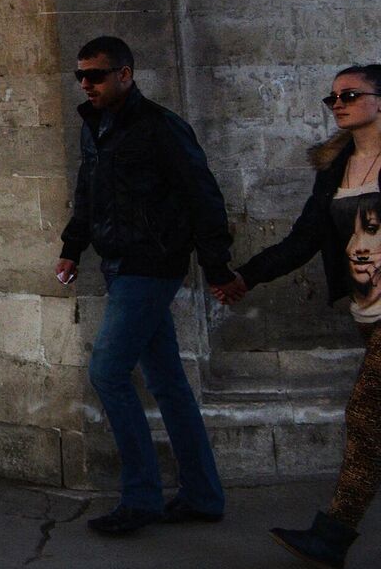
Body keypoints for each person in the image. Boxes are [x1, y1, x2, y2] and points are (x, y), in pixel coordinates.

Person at [56, 36, 235, 536]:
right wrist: (74, 247)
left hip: (151, 266)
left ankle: (140, 498)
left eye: (96, 75)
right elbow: (87, 194)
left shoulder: (160, 127)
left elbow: (204, 196)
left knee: (108, 372)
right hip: (118, 266)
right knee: (166, 382)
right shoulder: (96, 127)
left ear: (126, 74)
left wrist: (217, 268)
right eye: (81, 76)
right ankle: (202, 494)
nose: (86, 84)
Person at [214, 64, 381, 568]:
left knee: (366, 416)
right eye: (331, 98)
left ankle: (333, 535)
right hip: (368, 312)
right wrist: (246, 275)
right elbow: (305, 239)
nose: (337, 104)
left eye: (349, 94)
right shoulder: (337, 169)